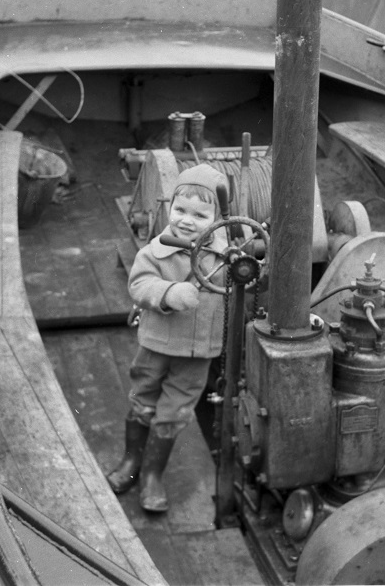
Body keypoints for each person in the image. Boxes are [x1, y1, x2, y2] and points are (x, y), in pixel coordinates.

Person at [108, 163, 229, 512]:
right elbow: (139, 285)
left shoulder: (228, 255)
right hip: (156, 345)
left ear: (219, 218)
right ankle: (131, 464)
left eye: (200, 215)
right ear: (169, 207)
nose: (186, 220)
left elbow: (245, 283)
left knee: (175, 411)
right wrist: (169, 293)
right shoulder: (155, 251)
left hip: (198, 353)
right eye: (180, 210)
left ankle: (152, 475)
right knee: (143, 396)